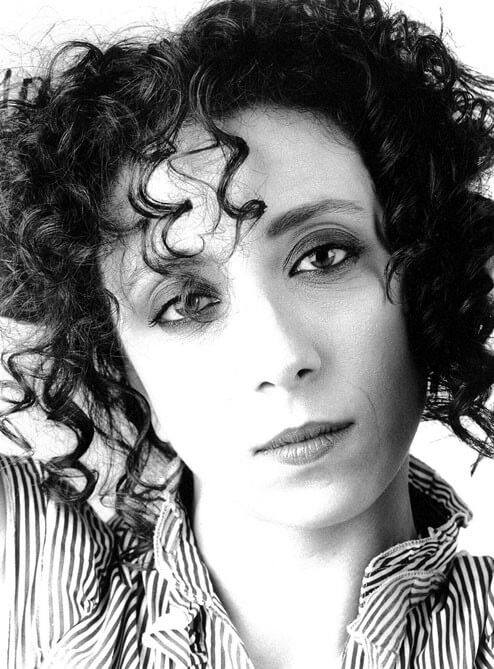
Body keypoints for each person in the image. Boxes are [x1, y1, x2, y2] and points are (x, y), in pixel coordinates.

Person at [1, 0, 494, 667]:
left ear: (426, 280)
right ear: (122, 369)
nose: (281, 356)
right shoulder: (42, 595)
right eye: (185, 302)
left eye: (323, 255)